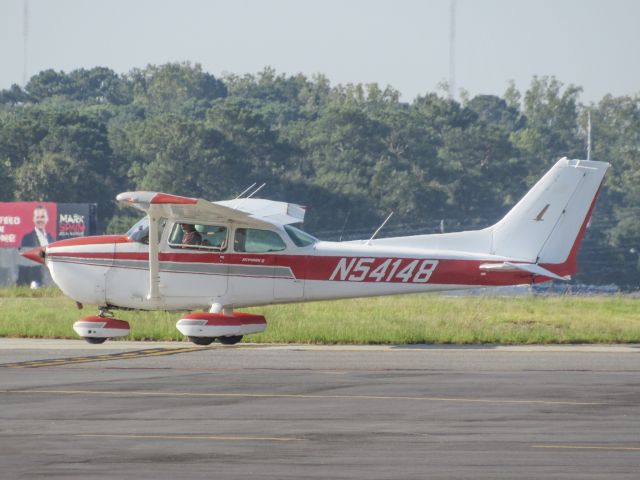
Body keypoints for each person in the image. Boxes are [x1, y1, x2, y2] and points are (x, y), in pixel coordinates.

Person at [17, 205, 54, 286]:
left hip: (50, 280)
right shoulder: (27, 238)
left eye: (42, 217)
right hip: (34, 280)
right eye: (38, 217)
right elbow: (25, 264)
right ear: (33, 219)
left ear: (47, 219)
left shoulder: (51, 238)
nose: (40, 220)